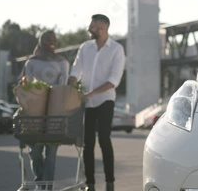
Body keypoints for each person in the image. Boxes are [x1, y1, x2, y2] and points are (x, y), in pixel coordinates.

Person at [68, 14, 125, 191]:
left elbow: (113, 80)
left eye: (93, 26)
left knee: (104, 140)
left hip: (105, 100)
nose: (90, 29)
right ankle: (90, 184)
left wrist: (91, 93)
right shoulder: (85, 47)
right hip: (88, 102)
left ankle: (109, 182)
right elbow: (75, 71)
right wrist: (70, 88)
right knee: (88, 143)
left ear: (103, 27)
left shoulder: (116, 49)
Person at [23, 30, 69, 190]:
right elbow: (27, 86)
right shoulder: (31, 63)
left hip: (54, 113)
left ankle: (46, 187)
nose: (51, 42)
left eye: (54, 39)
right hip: (35, 113)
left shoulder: (63, 62)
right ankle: (40, 183)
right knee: (34, 151)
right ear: (41, 42)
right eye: (48, 39)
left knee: (51, 153)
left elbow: (62, 86)